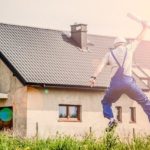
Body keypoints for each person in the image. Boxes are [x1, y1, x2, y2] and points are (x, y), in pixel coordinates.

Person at [89, 22, 149, 128]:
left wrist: (93, 77)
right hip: (129, 83)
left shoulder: (109, 54)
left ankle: (112, 119)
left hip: (115, 85)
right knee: (144, 101)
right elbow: (139, 39)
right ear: (124, 43)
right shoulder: (129, 48)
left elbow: (100, 66)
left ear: (114, 45)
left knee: (106, 101)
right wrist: (145, 28)